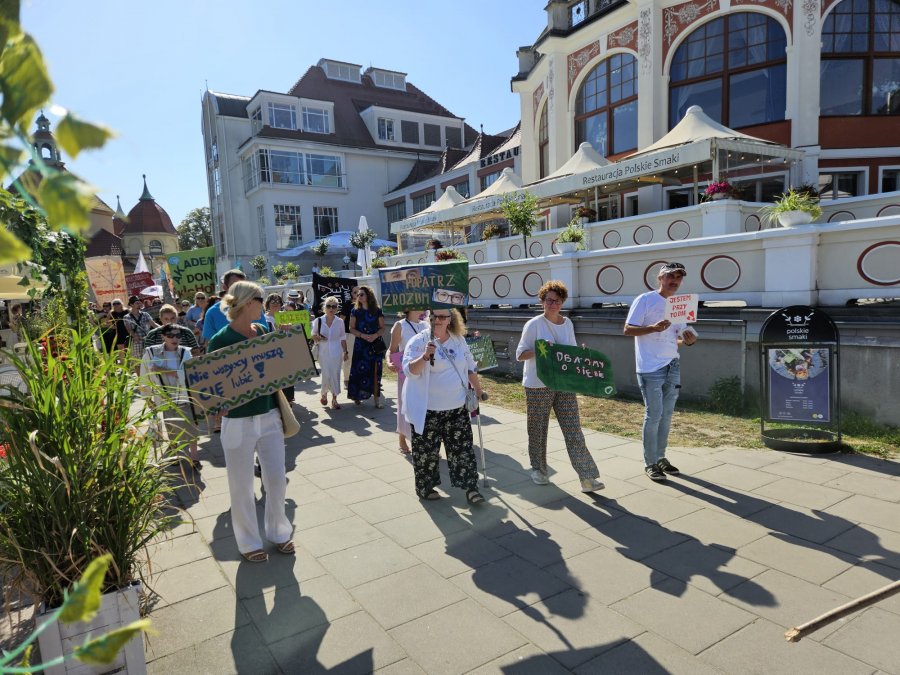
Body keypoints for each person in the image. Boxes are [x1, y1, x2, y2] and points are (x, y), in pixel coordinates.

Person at [207, 280, 294, 563]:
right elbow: (212, 384)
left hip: (269, 415)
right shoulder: (220, 340)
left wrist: (282, 344)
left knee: (277, 478)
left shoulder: (263, 330)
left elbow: (273, 371)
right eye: (262, 298)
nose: (266, 304)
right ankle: (248, 543)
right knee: (241, 484)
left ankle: (280, 533)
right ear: (248, 303)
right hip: (238, 420)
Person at [516, 281, 603, 493]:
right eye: (548, 300)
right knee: (537, 429)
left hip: (564, 383)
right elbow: (520, 354)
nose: (552, 304)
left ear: (562, 302)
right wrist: (541, 349)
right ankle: (538, 469)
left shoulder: (568, 324)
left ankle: (587, 476)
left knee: (573, 429)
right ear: (542, 301)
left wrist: (579, 353)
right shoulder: (534, 325)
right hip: (538, 385)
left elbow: (570, 351)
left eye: (556, 301)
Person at [623, 262, 698, 482]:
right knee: (653, 415)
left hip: (672, 365)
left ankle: (661, 457)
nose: (674, 281)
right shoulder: (645, 300)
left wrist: (688, 340)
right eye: (670, 277)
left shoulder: (680, 304)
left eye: (678, 277)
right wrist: (653, 328)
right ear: (660, 278)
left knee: (666, 417)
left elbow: (676, 338)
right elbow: (627, 329)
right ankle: (650, 462)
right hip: (650, 368)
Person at [402, 309, 485, 504]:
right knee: (426, 453)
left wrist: (479, 390)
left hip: (456, 408)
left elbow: (470, 366)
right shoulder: (418, 341)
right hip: (427, 410)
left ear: (450, 319)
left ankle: (471, 488)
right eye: (434, 317)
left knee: (462, 450)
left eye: (443, 317)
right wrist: (424, 356)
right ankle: (425, 487)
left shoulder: (458, 340)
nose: (438, 320)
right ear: (428, 318)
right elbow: (409, 371)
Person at [140, 324, 200, 470]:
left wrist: (162, 370)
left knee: (191, 426)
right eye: (171, 335)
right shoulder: (151, 352)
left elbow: (186, 374)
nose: (175, 339)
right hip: (166, 397)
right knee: (171, 427)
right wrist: (148, 398)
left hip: (185, 396)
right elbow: (144, 376)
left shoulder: (185, 352)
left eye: (178, 335)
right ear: (163, 337)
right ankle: (175, 456)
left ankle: (194, 459)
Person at [387, 308, 428, 453]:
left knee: (422, 405)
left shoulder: (426, 325)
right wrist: (389, 362)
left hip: (424, 370)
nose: (423, 308)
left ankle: (423, 440)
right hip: (406, 370)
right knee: (405, 403)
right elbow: (391, 350)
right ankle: (402, 437)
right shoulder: (400, 325)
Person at [347, 285, 385, 407]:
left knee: (375, 371)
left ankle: (376, 400)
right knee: (359, 370)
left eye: (361, 294)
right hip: (361, 344)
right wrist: (362, 335)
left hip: (375, 344)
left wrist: (375, 335)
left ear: (368, 295)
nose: (359, 296)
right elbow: (351, 328)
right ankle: (356, 396)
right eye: (357, 295)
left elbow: (382, 327)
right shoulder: (355, 311)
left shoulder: (377, 310)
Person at [311, 297, 348, 409]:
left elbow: (343, 338)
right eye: (328, 306)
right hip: (323, 352)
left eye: (334, 306)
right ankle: (324, 393)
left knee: (335, 375)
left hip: (337, 352)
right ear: (324, 308)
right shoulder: (318, 321)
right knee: (326, 374)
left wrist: (346, 352)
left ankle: (335, 399)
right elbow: (313, 335)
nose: (331, 309)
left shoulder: (340, 321)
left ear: (337, 309)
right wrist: (318, 337)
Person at [202, 270, 248, 342]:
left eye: (243, 286)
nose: (240, 289)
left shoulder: (254, 307)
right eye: (235, 286)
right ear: (224, 287)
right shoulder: (212, 312)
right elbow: (210, 344)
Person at [123, 295, 158, 366]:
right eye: (137, 303)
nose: (139, 304)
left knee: (150, 360)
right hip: (136, 341)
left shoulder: (145, 314)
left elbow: (153, 324)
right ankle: (139, 376)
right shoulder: (127, 317)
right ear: (131, 305)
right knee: (137, 362)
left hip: (147, 340)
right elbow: (129, 329)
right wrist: (134, 336)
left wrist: (163, 328)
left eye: (139, 303)